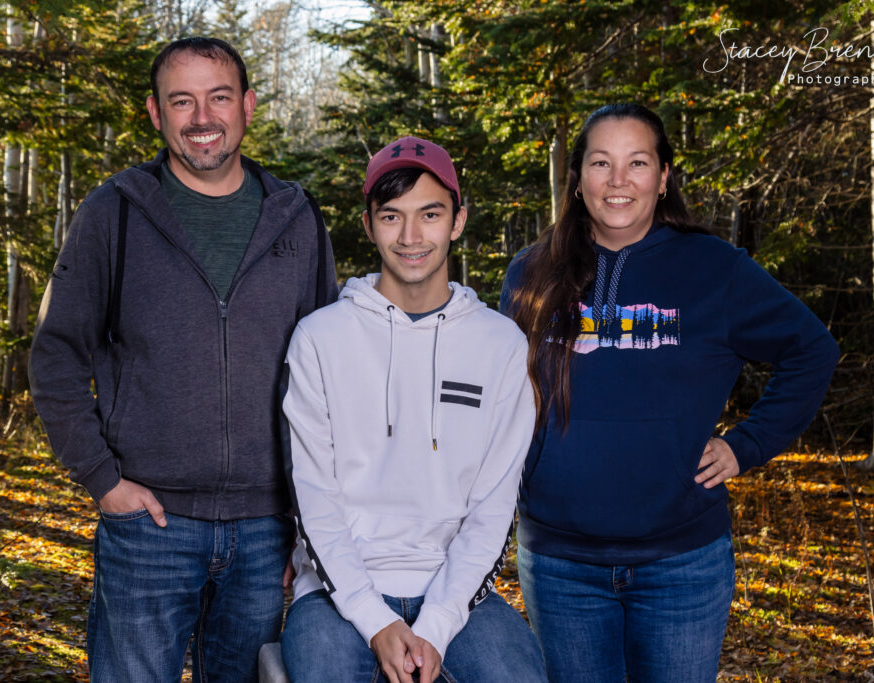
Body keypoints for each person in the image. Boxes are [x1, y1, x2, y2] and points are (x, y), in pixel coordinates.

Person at [29, 37, 337, 682]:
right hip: (149, 525)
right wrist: (102, 480)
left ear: (248, 105)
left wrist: (307, 522)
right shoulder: (114, 212)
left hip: (263, 529)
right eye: (182, 100)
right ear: (155, 112)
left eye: (219, 96)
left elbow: (327, 377)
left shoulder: (297, 217)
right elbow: (56, 353)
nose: (203, 117)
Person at [500, 103, 839, 682]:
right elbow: (505, 394)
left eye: (637, 163)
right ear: (577, 178)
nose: (618, 181)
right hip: (559, 562)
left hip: (681, 562)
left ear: (662, 178)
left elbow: (812, 350)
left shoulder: (714, 269)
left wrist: (748, 444)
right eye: (601, 163)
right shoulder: (531, 272)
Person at [279, 137, 547, 683]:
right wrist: (375, 621)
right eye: (391, 216)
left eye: (429, 214)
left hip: (456, 594)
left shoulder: (501, 345)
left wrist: (439, 622)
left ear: (457, 220)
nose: (410, 237)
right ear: (368, 223)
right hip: (337, 594)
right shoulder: (319, 338)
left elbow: (493, 510)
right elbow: (315, 500)